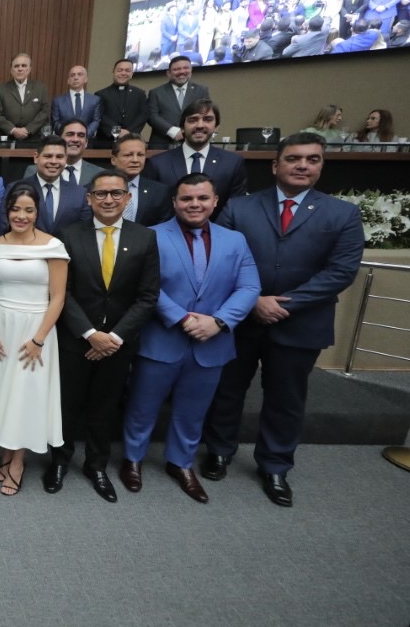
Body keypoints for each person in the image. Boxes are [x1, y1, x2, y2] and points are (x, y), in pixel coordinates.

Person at [202, 133, 364, 507]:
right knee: (227, 389)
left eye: (312, 159)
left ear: (321, 165)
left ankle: (275, 465)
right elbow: (220, 258)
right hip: (241, 319)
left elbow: (340, 272)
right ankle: (219, 450)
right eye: (293, 158)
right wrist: (254, 301)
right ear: (276, 165)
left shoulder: (342, 213)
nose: (302, 165)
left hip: (300, 322)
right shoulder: (240, 208)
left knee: (286, 398)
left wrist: (283, 304)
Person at [120, 174, 259, 503]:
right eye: (186, 199)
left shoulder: (235, 241)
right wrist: (181, 317)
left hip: (212, 343)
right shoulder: (150, 236)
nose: (194, 204)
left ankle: (180, 463)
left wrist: (220, 322)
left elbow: (250, 287)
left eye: (201, 198)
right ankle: (132, 459)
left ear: (214, 201)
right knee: (142, 407)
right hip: (161, 338)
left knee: (193, 410)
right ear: (174, 202)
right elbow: (146, 287)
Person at [49, 170, 160, 502]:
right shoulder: (68, 235)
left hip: (117, 345)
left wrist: (112, 338)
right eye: (101, 194)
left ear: (128, 198)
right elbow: (61, 292)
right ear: (89, 199)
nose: (108, 200)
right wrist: (89, 333)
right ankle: (58, 461)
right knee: (66, 406)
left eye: (116, 194)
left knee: (104, 407)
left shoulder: (145, 238)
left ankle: (96, 465)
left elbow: (148, 297)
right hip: (74, 341)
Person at [0, 183, 68, 496]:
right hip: (0, 325)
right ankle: (7, 451)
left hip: (35, 328)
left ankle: (17, 462)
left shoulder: (53, 246)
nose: (21, 216)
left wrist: (39, 339)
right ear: (7, 211)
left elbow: (58, 297)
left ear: (37, 212)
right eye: (15, 209)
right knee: (4, 393)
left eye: (28, 210)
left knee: (27, 395)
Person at [145, 99, 248, 217]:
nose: (200, 125)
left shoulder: (232, 163)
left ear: (216, 127)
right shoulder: (158, 164)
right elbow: (152, 208)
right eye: (192, 120)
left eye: (207, 120)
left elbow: (236, 208)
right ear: (182, 127)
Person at [23, 136, 91, 235]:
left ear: (66, 159)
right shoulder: (16, 189)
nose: (54, 161)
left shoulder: (79, 193)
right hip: (27, 249)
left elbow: (85, 231)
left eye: (59, 157)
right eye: (48, 156)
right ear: (36, 158)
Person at [146, 56, 211, 147]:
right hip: (162, 144)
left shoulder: (201, 91)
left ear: (191, 70)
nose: (182, 72)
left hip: (193, 143)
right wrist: (171, 130)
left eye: (186, 68)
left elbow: (206, 115)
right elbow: (151, 116)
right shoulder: (156, 92)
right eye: (177, 69)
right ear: (168, 73)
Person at [110, 134, 172, 226]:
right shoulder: (96, 189)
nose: (135, 160)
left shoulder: (160, 192)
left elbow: (163, 227)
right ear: (113, 160)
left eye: (140, 155)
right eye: (128, 155)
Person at [0, 53, 50, 145]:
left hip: (33, 138)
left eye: (24, 65)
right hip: (8, 139)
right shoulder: (0, 90)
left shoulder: (41, 88)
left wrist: (28, 129)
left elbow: (44, 112)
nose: (20, 69)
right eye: (16, 66)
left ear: (29, 69)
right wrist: (13, 130)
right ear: (11, 70)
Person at [24, 118, 103, 187]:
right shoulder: (35, 170)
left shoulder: (99, 173)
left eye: (81, 135)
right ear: (60, 139)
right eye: (70, 134)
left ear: (86, 143)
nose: (75, 139)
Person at [94, 59, 148, 144]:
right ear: (113, 72)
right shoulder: (100, 94)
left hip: (132, 139)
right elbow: (100, 116)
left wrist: (128, 133)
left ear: (132, 74)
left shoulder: (140, 94)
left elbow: (143, 115)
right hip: (105, 141)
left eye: (127, 70)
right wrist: (118, 131)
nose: (123, 73)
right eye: (120, 70)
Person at [50, 66, 101, 140]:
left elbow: (96, 120)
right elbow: (55, 122)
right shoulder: (58, 101)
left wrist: (84, 135)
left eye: (80, 74)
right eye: (72, 75)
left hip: (88, 141)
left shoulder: (95, 100)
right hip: (65, 141)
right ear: (68, 80)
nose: (76, 78)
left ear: (86, 79)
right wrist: (69, 134)